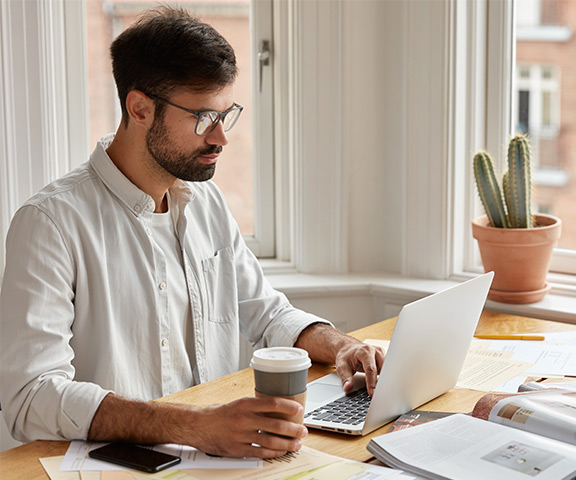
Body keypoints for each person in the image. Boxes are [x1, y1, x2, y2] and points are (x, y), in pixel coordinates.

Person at [0, 6, 384, 458]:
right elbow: (31, 397)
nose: (221, 137)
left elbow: (266, 315)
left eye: (227, 114)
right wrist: (195, 426)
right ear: (140, 108)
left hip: (220, 461)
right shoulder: (50, 223)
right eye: (203, 118)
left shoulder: (207, 203)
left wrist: (343, 346)